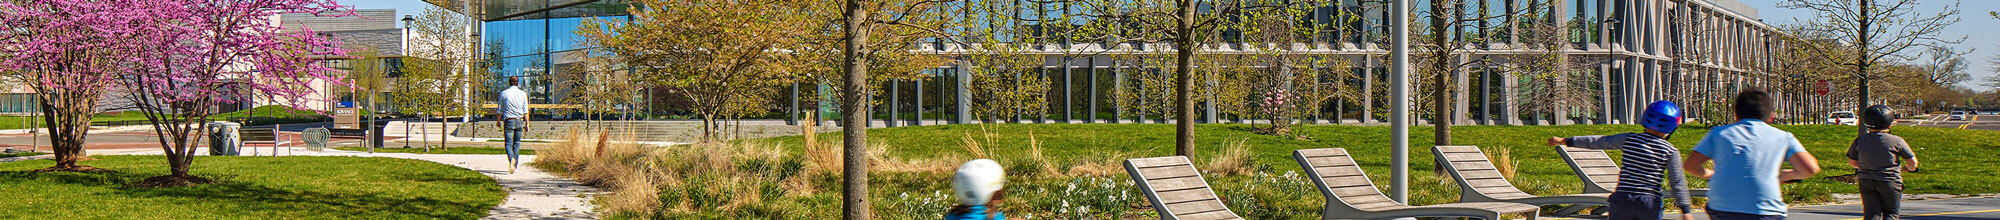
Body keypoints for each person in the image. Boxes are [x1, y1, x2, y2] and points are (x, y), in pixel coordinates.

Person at [1685, 88, 1821, 220]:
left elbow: (1690, 165)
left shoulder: (1719, 134)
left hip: (1724, 208)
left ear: (1736, 114)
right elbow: (1810, 168)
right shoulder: (1783, 137)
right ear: (1771, 116)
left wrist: (1710, 175)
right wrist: (1786, 175)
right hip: (1766, 210)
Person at [1546, 100, 1694, 220]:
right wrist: (1685, 209)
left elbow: (1598, 141)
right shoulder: (1670, 151)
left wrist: (1566, 140)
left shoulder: (1629, 139)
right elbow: (1677, 181)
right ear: (1672, 126)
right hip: (1649, 202)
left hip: (1623, 199)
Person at [1848, 105, 1919, 220]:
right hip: (1889, 180)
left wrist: (1864, 167)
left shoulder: (1860, 140)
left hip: (1866, 180)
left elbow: (1852, 161)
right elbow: (1912, 162)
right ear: (1889, 123)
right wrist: (1908, 169)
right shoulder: (1896, 141)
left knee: (1871, 213)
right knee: (1891, 213)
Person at [497, 77, 530, 174]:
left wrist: (498, 121)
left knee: (508, 144)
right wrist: (527, 124)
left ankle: (511, 159)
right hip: (519, 120)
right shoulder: (523, 94)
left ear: (509, 83)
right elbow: (525, 110)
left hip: (509, 120)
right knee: (517, 143)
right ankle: (515, 164)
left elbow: (500, 110)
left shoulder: (504, 93)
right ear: (517, 83)